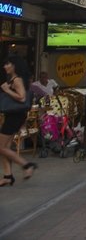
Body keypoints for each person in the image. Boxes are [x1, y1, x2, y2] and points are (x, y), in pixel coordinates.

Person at [0, 56, 38, 186]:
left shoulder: (17, 80)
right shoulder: (13, 79)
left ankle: (27, 165)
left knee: (1, 147)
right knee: (5, 148)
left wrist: (6, 90)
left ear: (14, 65)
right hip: (14, 115)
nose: (5, 67)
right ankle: (8, 176)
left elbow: (22, 98)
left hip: (15, 116)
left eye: (8, 64)